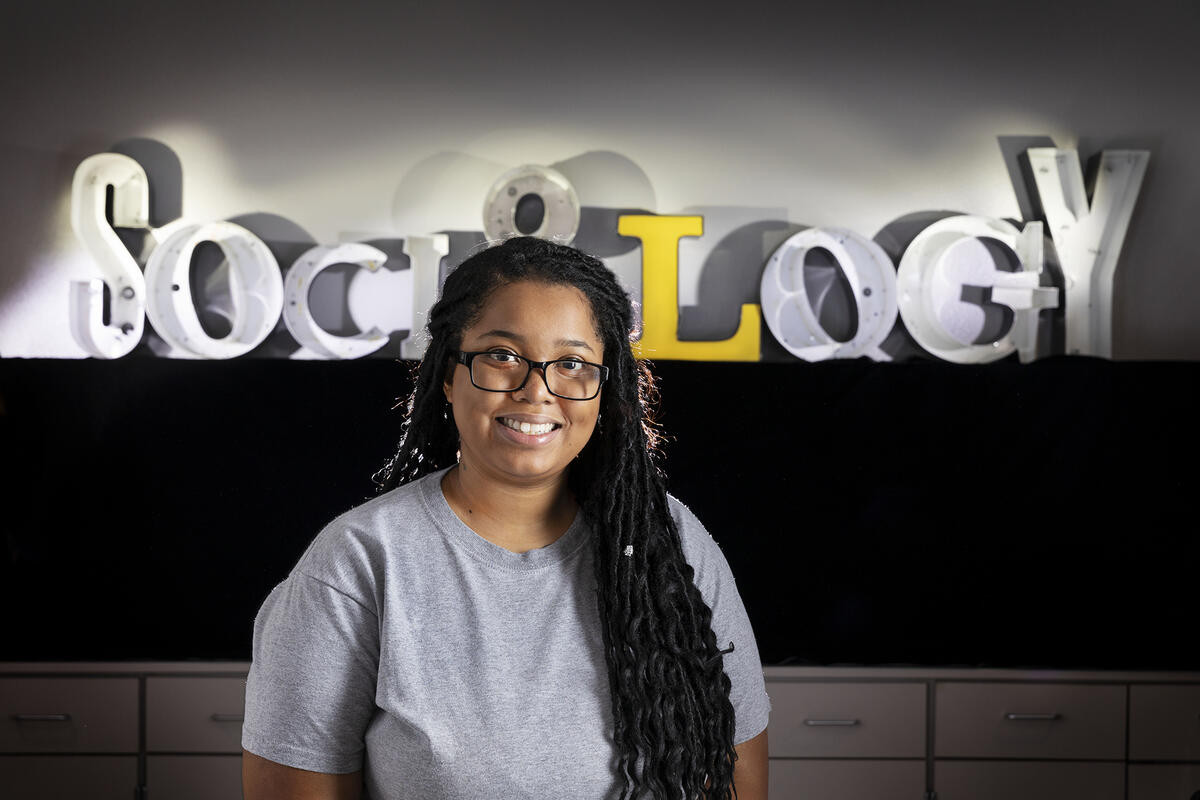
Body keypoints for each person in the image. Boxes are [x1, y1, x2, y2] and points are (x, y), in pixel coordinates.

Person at [241, 236, 770, 799]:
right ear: (449, 373)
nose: (536, 391)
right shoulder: (358, 564)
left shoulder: (671, 543)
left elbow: (740, 777)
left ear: (603, 390)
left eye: (571, 363)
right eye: (502, 355)